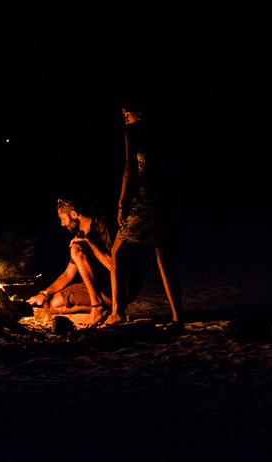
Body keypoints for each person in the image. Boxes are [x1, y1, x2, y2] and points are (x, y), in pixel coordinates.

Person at [99, 97, 185, 331]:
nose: (124, 117)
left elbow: (130, 167)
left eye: (126, 113)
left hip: (146, 197)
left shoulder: (134, 130)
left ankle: (118, 313)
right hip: (168, 196)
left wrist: (122, 202)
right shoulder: (166, 129)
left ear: (137, 111)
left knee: (117, 251)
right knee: (163, 255)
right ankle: (178, 318)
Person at [26, 198, 122, 328]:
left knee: (76, 248)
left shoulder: (104, 226)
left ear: (74, 214)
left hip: (119, 289)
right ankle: (104, 309)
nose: (62, 224)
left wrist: (90, 243)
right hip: (101, 288)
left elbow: (115, 267)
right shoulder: (81, 233)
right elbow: (67, 275)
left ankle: (97, 307)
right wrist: (44, 294)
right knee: (53, 304)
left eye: (62, 218)